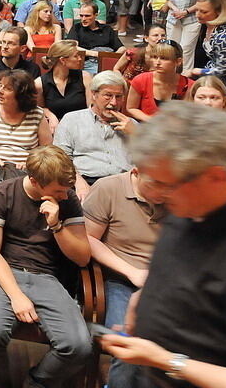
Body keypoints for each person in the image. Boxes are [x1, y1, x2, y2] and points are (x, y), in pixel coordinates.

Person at [101, 102, 226, 388]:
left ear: (215, 176)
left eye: (165, 184)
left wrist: (168, 360)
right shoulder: (193, 201)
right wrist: (145, 299)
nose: (156, 194)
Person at [0, 145, 92, 388]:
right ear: (34, 181)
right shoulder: (3, 193)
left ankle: (36, 382)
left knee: (78, 346)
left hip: (46, 275)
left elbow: (82, 257)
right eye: (58, 190)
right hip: (5, 272)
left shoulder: (67, 199)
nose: (64, 195)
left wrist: (57, 225)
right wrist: (16, 296)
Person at [81, 163, 165, 388]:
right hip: (120, 278)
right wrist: (132, 272)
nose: (163, 191)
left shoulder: (178, 193)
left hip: (166, 282)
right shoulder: (109, 188)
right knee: (128, 343)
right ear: (136, 172)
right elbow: (87, 239)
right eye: (156, 182)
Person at [54, 70, 136, 199]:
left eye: (118, 96)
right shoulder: (72, 120)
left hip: (126, 186)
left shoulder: (132, 125)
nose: (114, 103)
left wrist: (137, 135)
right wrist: (78, 181)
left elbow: (154, 161)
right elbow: (60, 158)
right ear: (94, 95)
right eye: (108, 95)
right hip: (87, 181)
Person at [0, 69, 51, 167]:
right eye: (0, 85)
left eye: (8, 89)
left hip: (25, 171)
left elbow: (47, 150)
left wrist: (29, 164)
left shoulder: (37, 114)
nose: (0, 91)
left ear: (21, 94)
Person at [127, 40, 192, 121]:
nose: (157, 62)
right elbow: (131, 108)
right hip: (145, 127)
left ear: (178, 61)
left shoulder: (190, 86)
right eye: (154, 57)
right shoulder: (140, 80)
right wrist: (151, 121)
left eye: (164, 58)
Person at [35, 39, 93, 126]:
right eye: (76, 56)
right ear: (62, 60)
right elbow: (39, 108)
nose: (80, 59)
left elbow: (91, 108)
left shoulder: (85, 77)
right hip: (54, 128)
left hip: (81, 126)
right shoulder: (39, 83)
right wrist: (50, 115)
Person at [163, 0, 205, 73]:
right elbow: (168, 0)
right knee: (172, 48)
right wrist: (176, 9)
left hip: (191, 20)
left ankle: (185, 75)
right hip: (173, 19)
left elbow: (202, 2)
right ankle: (171, 72)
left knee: (186, 48)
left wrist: (185, 12)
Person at [66, 3, 125, 72]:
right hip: (87, 63)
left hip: (107, 61)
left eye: (87, 16)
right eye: (81, 16)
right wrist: (95, 54)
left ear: (96, 15)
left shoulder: (107, 29)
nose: (83, 19)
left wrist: (111, 57)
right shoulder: (77, 28)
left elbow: (122, 48)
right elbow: (71, 46)